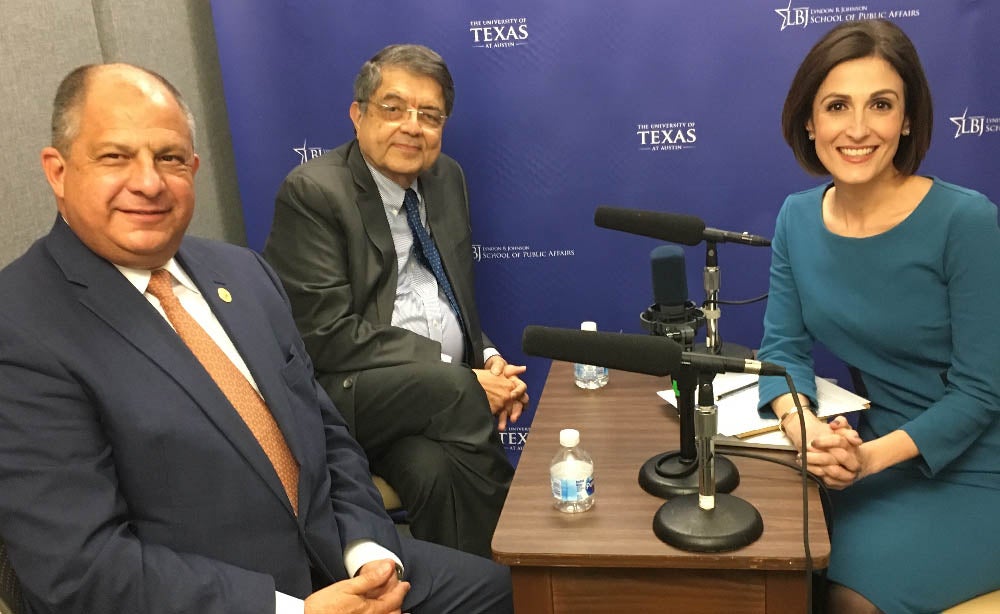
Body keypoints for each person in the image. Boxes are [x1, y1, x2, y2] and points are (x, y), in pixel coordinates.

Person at [0, 62, 513, 614]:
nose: (148, 182)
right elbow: (82, 570)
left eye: (169, 158)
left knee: (512, 593)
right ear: (57, 170)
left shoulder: (242, 274)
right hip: (226, 595)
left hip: (338, 560)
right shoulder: (22, 324)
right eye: (115, 156)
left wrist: (368, 554)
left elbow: (325, 433)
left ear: (193, 168)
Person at [756, 19, 1000, 614]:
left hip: (975, 464)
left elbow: (981, 392)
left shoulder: (966, 222)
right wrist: (806, 431)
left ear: (908, 119)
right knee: (812, 578)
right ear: (809, 122)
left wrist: (867, 459)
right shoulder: (795, 218)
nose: (858, 129)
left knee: (853, 599)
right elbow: (783, 352)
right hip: (870, 456)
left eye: (881, 105)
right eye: (838, 106)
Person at [263, 44, 527, 558]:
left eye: (429, 115)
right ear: (357, 114)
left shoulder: (446, 178)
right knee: (456, 392)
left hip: (426, 401)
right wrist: (464, 379)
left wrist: (487, 359)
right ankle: (524, 561)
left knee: (430, 471)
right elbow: (325, 336)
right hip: (345, 390)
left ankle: (476, 588)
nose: (412, 126)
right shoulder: (313, 193)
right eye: (393, 108)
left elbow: (449, 297)